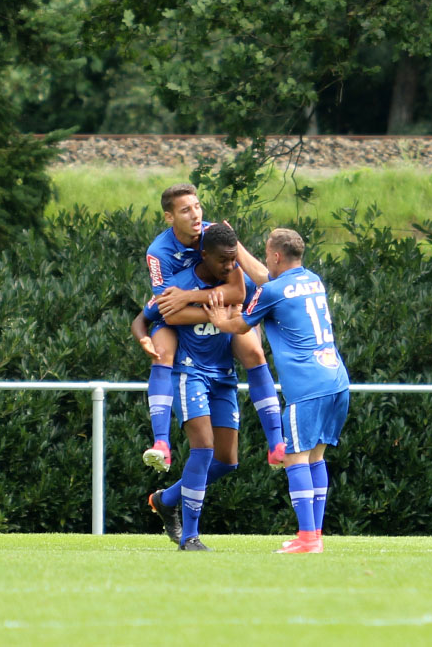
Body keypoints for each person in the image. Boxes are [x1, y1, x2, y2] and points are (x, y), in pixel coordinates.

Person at [204, 228, 350, 554]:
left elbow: (241, 324)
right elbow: (267, 279)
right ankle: (313, 535)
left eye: (267, 252)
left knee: (295, 460)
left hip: (307, 387)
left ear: (276, 256)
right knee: (316, 458)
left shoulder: (273, 291)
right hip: (336, 380)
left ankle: (308, 540)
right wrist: (237, 246)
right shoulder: (312, 280)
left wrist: (219, 319)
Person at [140, 184, 284, 474]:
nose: (195, 215)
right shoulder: (159, 252)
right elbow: (170, 311)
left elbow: (237, 293)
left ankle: (277, 445)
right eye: (185, 210)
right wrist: (213, 315)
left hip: (233, 310)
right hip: (202, 318)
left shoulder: (214, 235)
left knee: (255, 352)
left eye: (197, 206)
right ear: (169, 218)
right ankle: (161, 444)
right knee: (162, 351)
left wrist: (192, 297)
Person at [131, 224, 257, 550]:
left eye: (233, 261)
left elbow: (240, 297)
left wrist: (206, 305)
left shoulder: (232, 281)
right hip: (189, 373)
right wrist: (146, 333)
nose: (231, 266)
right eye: (224, 261)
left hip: (223, 376)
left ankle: (166, 499)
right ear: (205, 256)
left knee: (227, 461)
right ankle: (190, 537)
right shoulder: (178, 283)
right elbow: (153, 315)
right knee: (203, 449)